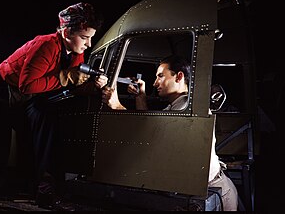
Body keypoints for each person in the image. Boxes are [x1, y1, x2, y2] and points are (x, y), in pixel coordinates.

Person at [0, 2, 108, 205]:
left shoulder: (76, 51)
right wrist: (65, 77)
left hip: (25, 96)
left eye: (91, 38)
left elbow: (70, 83)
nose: (88, 45)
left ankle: (35, 189)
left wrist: (92, 86)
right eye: (85, 37)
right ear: (65, 32)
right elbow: (27, 85)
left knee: (36, 131)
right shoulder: (46, 44)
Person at [101, 55, 238, 211]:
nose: (155, 83)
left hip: (213, 193)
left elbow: (151, 136)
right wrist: (140, 97)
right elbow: (151, 126)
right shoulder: (177, 106)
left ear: (179, 76)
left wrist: (117, 106)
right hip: (205, 190)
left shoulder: (188, 108)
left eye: (160, 76)